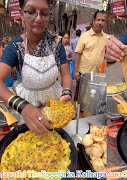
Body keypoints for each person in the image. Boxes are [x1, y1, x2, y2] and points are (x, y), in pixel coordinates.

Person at [0, 0, 73, 135]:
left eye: (44, 13)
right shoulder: (15, 47)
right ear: (22, 15)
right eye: (31, 12)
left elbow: (66, 75)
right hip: (27, 107)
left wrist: (66, 92)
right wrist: (23, 107)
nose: (38, 18)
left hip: (54, 104)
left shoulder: (56, 44)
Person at [74, 10, 108, 101]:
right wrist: (76, 71)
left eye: (103, 20)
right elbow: (78, 54)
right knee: (80, 98)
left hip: (97, 75)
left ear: (105, 23)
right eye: (98, 20)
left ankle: (91, 114)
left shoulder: (106, 38)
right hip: (83, 74)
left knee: (93, 99)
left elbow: (105, 56)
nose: (100, 23)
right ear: (93, 21)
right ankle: (78, 114)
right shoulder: (84, 36)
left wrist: (103, 71)